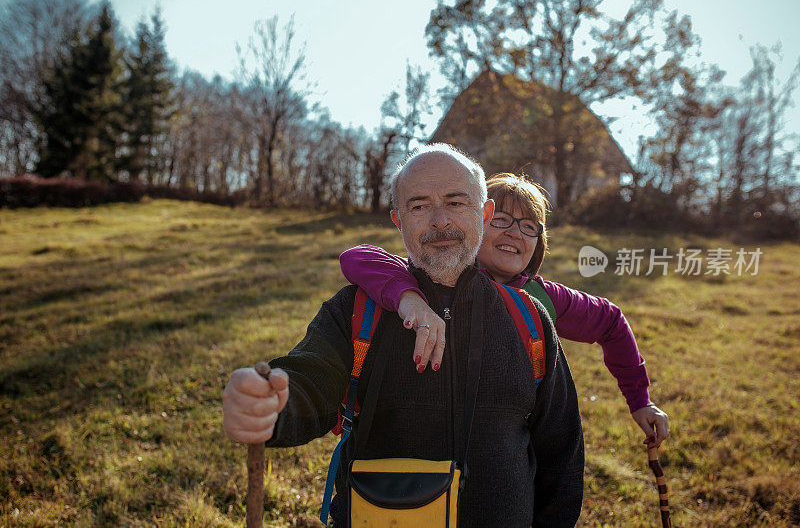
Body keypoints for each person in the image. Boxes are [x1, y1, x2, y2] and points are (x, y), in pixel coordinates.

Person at [223, 144, 584, 526]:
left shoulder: (527, 318)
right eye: (419, 206)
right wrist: (271, 403)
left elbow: (561, 453)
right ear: (399, 220)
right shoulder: (356, 310)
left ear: (485, 213)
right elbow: (310, 381)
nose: (439, 221)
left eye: (456, 203)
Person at [339, 172, 670, 448]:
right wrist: (409, 297)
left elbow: (610, 321)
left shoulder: (540, 297)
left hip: (501, 452)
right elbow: (357, 257)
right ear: (477, 221)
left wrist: (640, 399)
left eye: (530, 226)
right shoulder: (433, 276)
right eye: (502, 220)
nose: (515, 231)